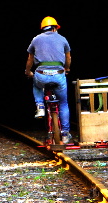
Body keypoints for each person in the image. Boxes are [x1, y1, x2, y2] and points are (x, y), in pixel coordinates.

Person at [25, 16, 72, 144]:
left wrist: (28, 71)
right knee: (63, 103)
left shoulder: (36, 39)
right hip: (58, 74)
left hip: (41, 74)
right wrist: (66, 69)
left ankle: (40, 105)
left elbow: (30, 59)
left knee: (36, 83)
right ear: (55, 28)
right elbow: (68, 58)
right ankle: (65, 134)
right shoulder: (62, 39)